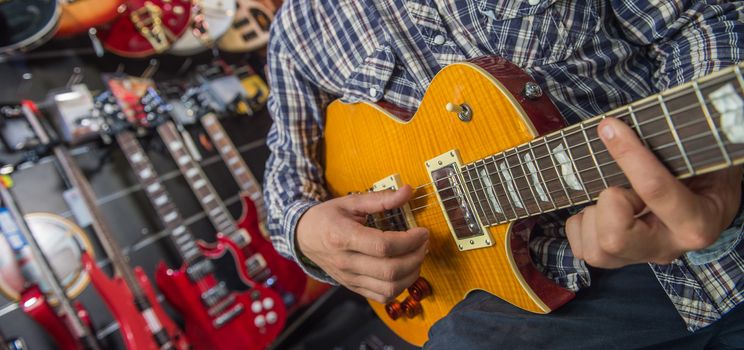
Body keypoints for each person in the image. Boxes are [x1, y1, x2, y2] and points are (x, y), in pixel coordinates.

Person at [263, 1, 744, 348]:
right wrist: (306, 231)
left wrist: (725, 175)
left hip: (724, 230)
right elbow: (286, 170)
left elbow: (700, 16)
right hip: (533, 296)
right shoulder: (298, 29)